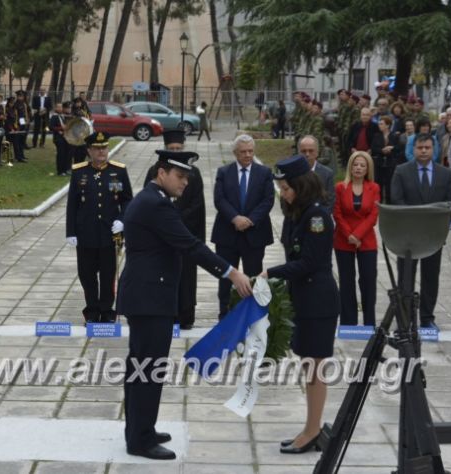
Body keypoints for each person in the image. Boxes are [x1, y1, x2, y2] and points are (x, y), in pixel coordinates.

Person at [118, 149, 252, 460]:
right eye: (180, 176)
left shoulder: (155, 200)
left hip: (148, 296)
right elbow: (190, 245)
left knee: (141, 367)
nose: (185, 183)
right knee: (148, 368)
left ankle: (141, 429)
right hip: (150, 299)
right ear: (161, 173)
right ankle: (140, 439)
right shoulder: (155, 205)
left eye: (187, 178)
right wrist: (231, 272)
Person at [259, 155, 339, 454]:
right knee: (308, 367)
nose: (283, 193)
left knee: (315, 369)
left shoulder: (316, 216)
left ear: (301, 185)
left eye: (286, 188)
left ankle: (313, 431)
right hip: (304, 299)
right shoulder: (300, 213)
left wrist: (270, 273)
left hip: (318, 301)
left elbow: (309, 262)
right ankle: (311, 428)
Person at [390, 133, 451, 330]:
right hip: (408, 237)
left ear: (434, 149)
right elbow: (396, 200)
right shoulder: (401, 171)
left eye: (428, 147)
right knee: (405, 279)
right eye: (420, 147)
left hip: (433, 237)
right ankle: (405, 318)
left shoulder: (444, 173)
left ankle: (427, 317)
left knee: (430, 277)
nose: (424, 151)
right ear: (414, 149)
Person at [66, 132, 132, 323]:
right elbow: (73, 204)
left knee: (108, 274)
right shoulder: (79, 172)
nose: (101, 151)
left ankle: (107, 310)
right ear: (89, 151)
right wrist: (70, 232)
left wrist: (122, 220)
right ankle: (92, 310)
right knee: (86, 274)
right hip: (85, 233)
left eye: (104, 147)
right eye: (97, 148)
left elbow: (128, 200)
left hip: (109, 234)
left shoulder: (118, 171)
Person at [143, 130, 205, 329]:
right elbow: (150, 202)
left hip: (185, 232)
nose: (175, 151)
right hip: (162, 237)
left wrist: (176, 221)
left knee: (186, 277)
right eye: (171, 149)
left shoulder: (193, 173)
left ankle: (186, 316)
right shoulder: (155, 171)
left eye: (179, 148)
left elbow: (197, 204)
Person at [211, 134, 274, 319]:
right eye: (243, 152)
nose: (247, 155)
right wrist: (235, 218)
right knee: (225, 276)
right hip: (227, 234)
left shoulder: (264, 173)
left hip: (254, 234)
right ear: (235, 153)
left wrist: (249, 220)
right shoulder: (224, 172)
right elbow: (219, 199)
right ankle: (225, 313)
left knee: (253, 277)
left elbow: (268, 200)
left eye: (250, 151)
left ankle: (251, 313)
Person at [333, 151, 380, 326]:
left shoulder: (374, 188)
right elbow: (337, 213)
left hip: (366, 241)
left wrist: (358, 235)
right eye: (355, 164)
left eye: (362, 165)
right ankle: (348, 322)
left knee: (368, 281)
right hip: (343, 241)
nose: (358, 168)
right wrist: (350, 235)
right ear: (350, 167)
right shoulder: (340, 187)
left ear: (368, 169)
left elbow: (373, 215)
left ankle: (369, 323)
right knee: (346, 282)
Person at [298, 135, 334, 210]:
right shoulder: (292, 173)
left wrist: (320, 217)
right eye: (303, 151)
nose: (307, 154)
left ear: (317, 152)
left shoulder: (327, 174)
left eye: (311, 151)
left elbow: (330, 201)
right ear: (299, 153)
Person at [371, 115, 400, 203]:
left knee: (389, 185)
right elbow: (373, 148)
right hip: (379, 163)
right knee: (378, 184)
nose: (379, 125)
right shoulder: (376, 135)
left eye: (381, 124)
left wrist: (391, 148)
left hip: (390, 163)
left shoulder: (394, 136)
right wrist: (382, 150)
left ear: (387, 125)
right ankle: (378, 203)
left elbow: (398, 148)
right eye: (379, 124)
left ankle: (389, 204)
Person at [49, 102, 70, 176]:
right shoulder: (54, 117)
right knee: (60, 154)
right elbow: (51, 127)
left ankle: (65, 169)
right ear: (55, 108)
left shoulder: (62, 116)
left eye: (61, 107)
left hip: (65, 137)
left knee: (66, 154)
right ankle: (60, 171)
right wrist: (60, 129)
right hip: (58, 138)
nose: (60, 108)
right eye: (58, 107)